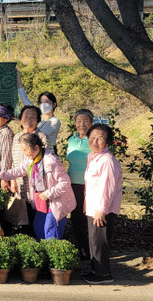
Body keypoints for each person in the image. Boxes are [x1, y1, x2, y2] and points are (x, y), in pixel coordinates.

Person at [0, 133, 76, 240]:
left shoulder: (51, 161)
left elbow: (65, 183)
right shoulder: (31, 160)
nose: (24, 153)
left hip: (54, 202)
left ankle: (51, 254)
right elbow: (19, 170)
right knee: (39, 228)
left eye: (26, 150)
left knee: (51, 232)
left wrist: (48, 193)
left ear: (36, 147)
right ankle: (42, 254)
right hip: (41, 202)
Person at [81, 124, 123, 285]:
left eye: (100, 138)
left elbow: (108, 187)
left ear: (107, 142)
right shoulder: (94, 157)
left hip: (102, 210)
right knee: (95, 241)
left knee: (100, 242)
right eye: (92, 137)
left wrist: (102, 210)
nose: (95, 141)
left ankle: (104, 274)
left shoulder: (107, 160)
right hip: (93, 208)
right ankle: (96, 271)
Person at [7, 105, 49, 236]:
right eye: (26, 117)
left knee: (34, 216)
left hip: (35, 184)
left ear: (38, 120)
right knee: (20, 219)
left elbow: (43, 161)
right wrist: (12, 180)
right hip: (19, 184)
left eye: (33, 117)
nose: (29, 120)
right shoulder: (16, 137)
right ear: (20, 119)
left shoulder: (42, 137)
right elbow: (12, 160)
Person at [66, 108, 94, 260]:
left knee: (90, 217)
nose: (82, 124)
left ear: (91, 122)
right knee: (76, 217)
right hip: (73, 184)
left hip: (91, 185)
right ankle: (82, 248)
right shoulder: (71, 140)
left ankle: (94, 250)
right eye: (78, 121)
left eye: (85, 121)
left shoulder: (96, 139)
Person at [18, 72, 61, 153]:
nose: (44, 105)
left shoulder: (55, 121)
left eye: (47, 102)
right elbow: (24, 99)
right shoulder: (37, 116)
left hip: (47, 154)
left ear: (54, 104)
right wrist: (18, 79)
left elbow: (39, 135)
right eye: (41, 102)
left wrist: (21, 122)